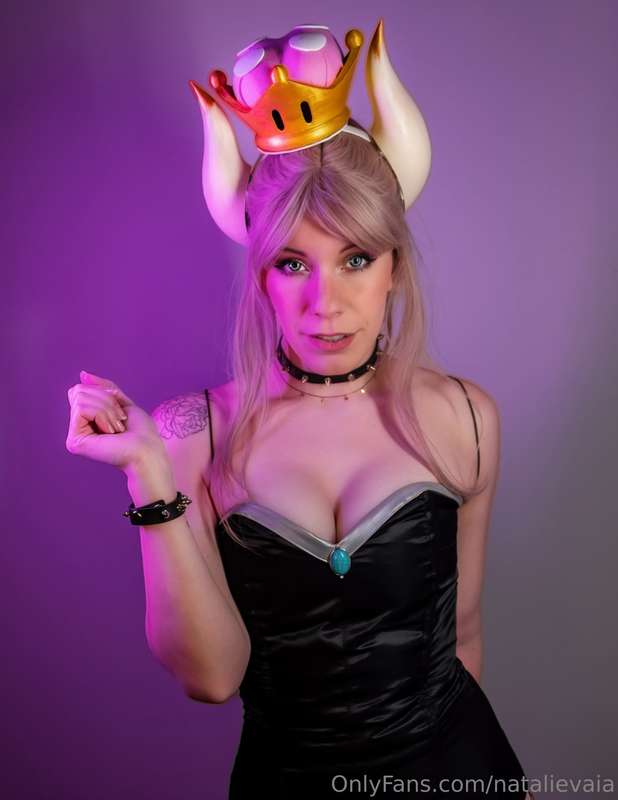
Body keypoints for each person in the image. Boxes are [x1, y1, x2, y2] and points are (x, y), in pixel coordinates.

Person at [66, 19, 534, 800]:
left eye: (356, 258)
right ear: (260, 276)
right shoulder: (193, 435)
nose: (326, 303)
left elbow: (464, 640)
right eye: (292, 263)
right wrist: (147, 471)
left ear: (394, 266)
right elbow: (212, 679)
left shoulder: (466, 419)